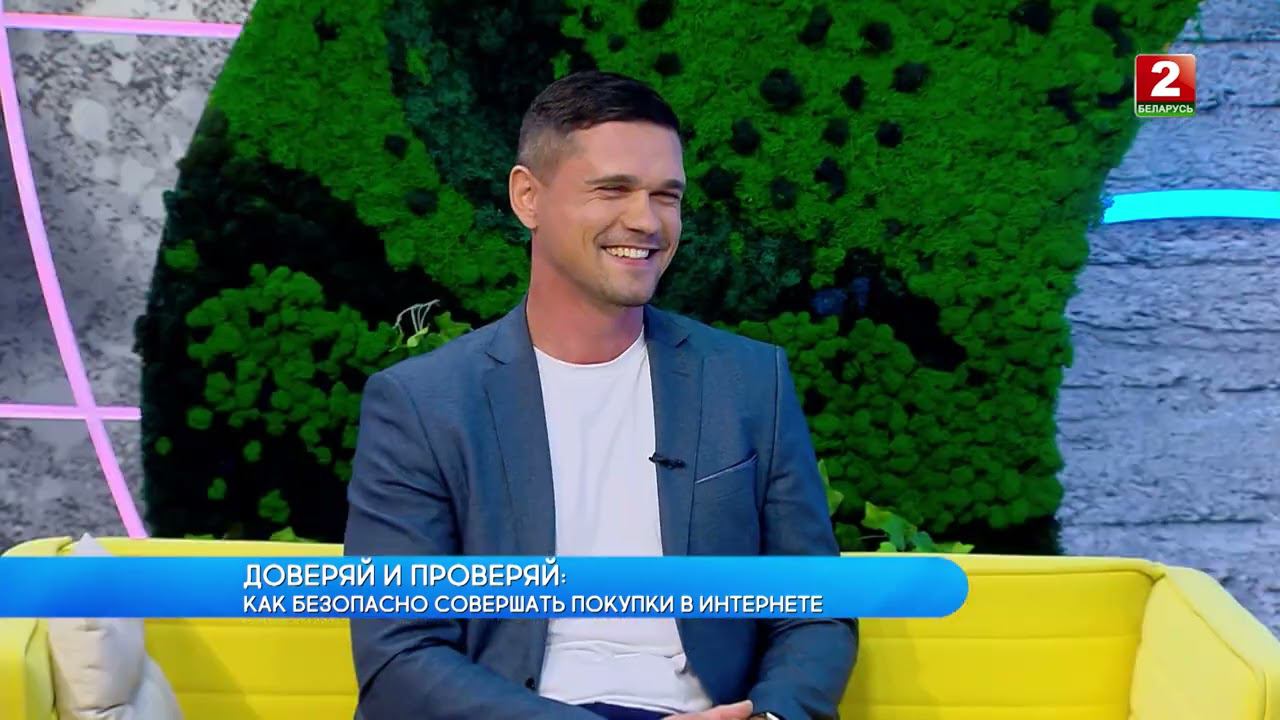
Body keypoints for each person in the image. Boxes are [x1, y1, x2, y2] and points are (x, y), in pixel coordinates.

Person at [343, 70, 858, 720]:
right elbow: (399, 653)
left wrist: (769, 716)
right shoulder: (422, 404)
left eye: (666, 196)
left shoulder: (750, 382)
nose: (645, 221)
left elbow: (816, 610)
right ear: (528, 197)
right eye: (613, 189)